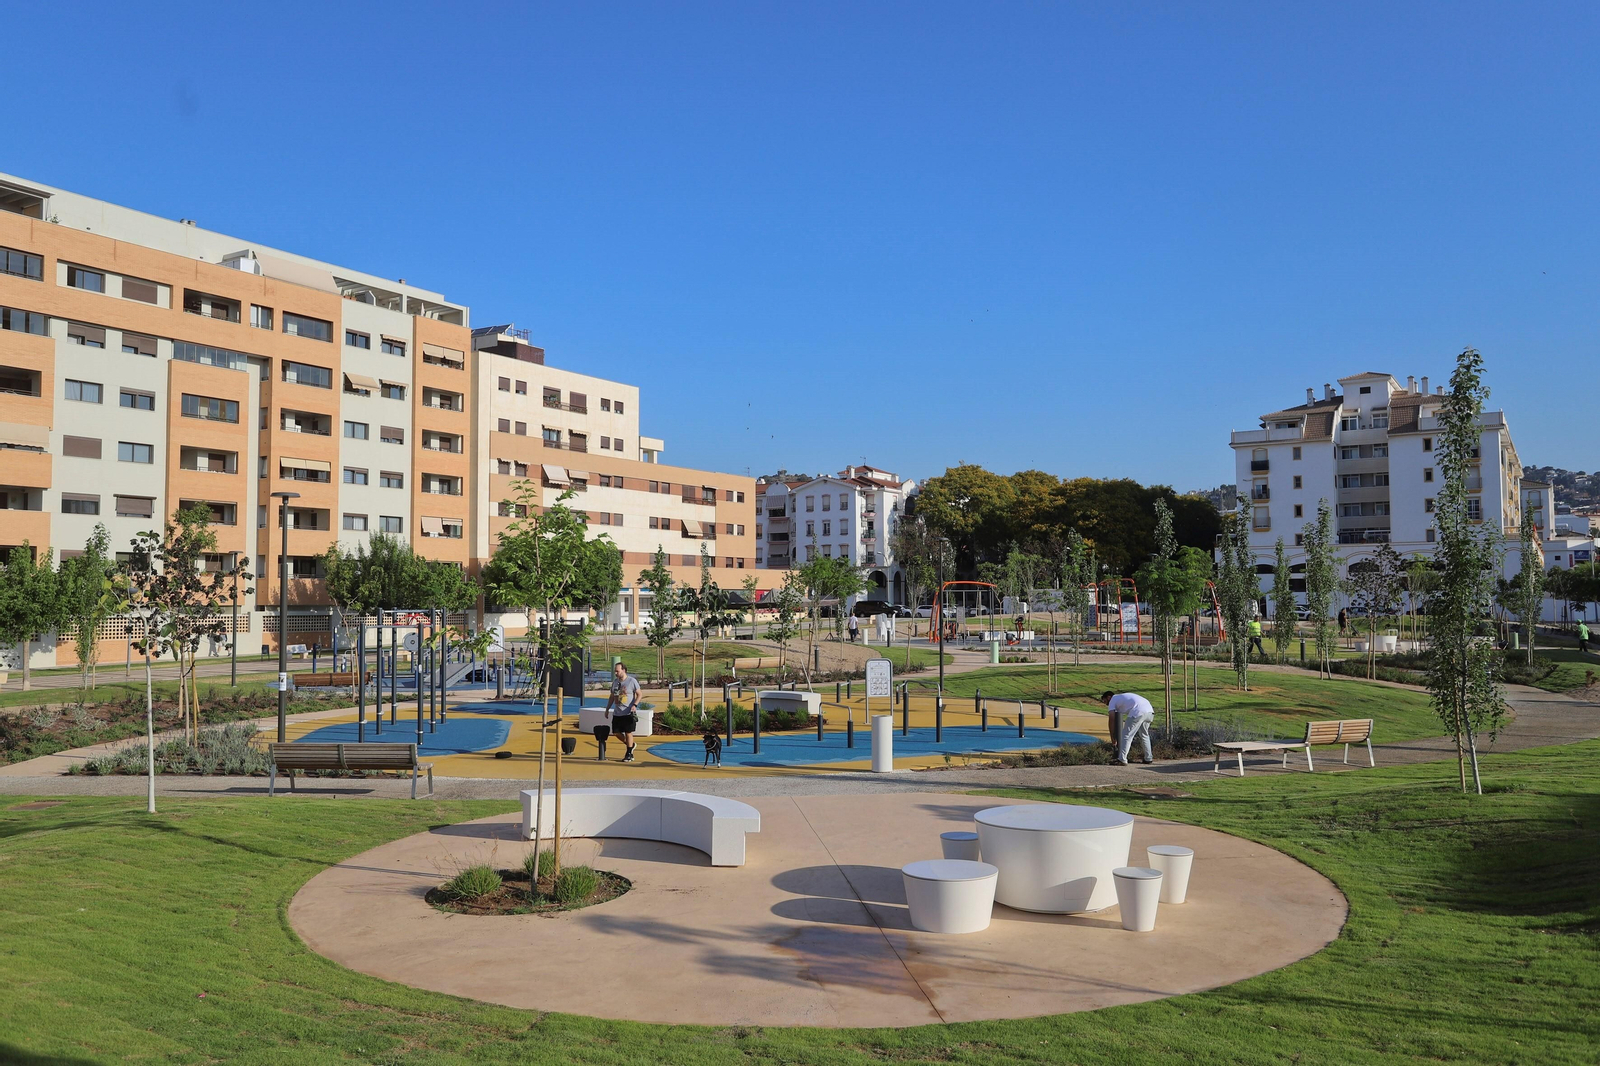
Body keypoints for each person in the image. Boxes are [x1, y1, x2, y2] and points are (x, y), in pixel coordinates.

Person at [1099, 690, 1155, 766]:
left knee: (1126, 735)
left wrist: (1112, 736)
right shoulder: (1121, 697)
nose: (1105, 704)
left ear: (1109, 697)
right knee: (1144, 735)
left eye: (1105, 701)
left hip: (1137, 712)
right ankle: (1148, 758)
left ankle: (1122, 759)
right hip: (1149, 712)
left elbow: (1111, 719)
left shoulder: (1113, 700)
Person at [605, 661, 642, 763]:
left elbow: (639, 694)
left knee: (628, 732)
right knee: (616, 732)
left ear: (623, 670)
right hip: (617, 712)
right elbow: (612, 696)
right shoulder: (615, 682)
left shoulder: (631, 681)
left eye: (617, 671)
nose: (616, 673)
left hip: (628, 712)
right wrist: (607, 709)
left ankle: (629, 753)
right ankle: (631, 745)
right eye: (615, 671)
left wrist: (634, 705)